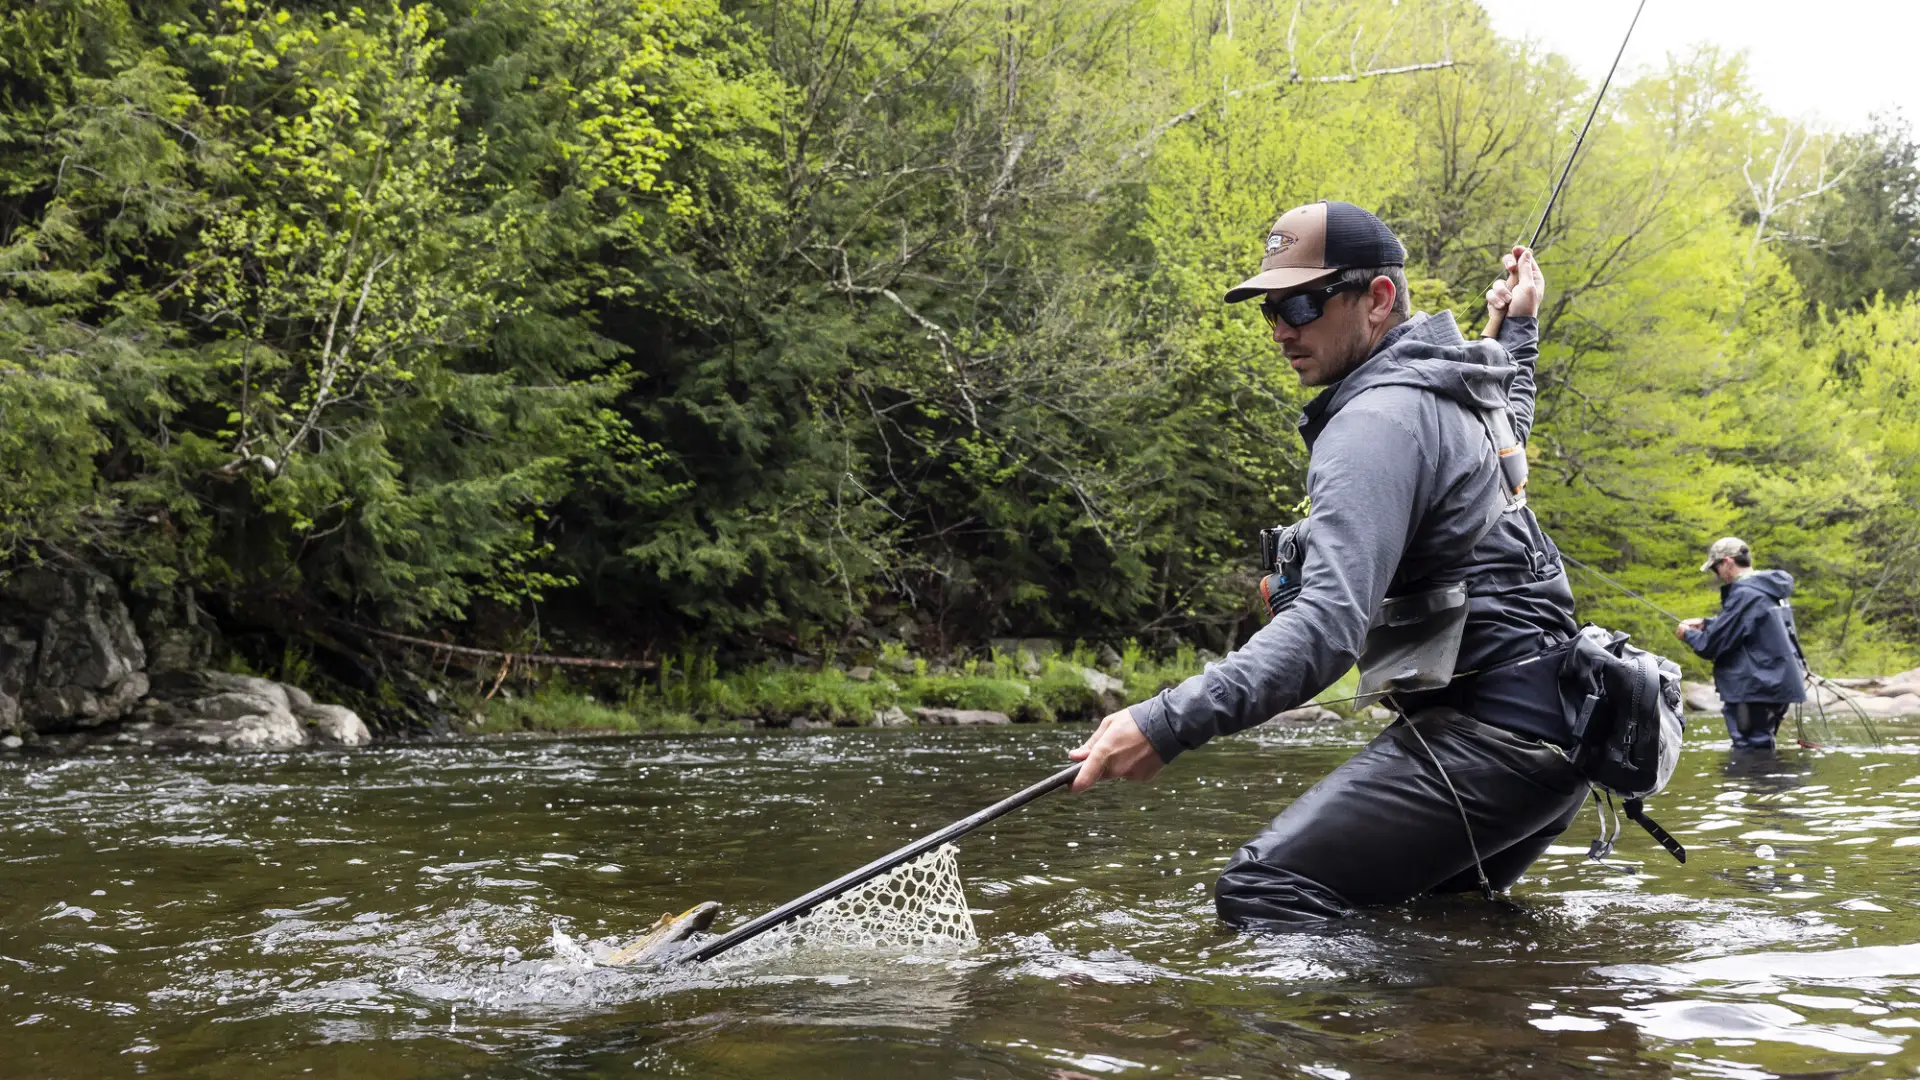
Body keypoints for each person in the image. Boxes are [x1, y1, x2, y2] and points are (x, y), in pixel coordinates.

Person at [1068, 200, 1590, 929]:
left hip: (1495, 740)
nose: (1283, 329)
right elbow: (1515, 424)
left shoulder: (1375, 420)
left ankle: (1330, 1047)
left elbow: (1326, 630)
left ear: (1377, 299)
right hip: (1558, 734)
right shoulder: (1459, 386)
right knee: (1432, 923)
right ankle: (1468, 1032)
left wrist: (1163, 722)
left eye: (1304, 303)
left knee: (1263, 891)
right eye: (1270, 311)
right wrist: (1520, 325)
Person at [1675, 537, 1806, 750]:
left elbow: (1711, 646)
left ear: (1727, 562)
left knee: (1750, 748)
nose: (1716, 575)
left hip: (1754, 686)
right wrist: (1706, 623)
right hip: (1777, 683)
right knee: (1762, 744)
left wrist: (1688, 634)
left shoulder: (1744, 594)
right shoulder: (1768, 589)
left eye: (1715, 568)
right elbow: (1751, 627)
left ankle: (1750, 784)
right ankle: (1769, 783)